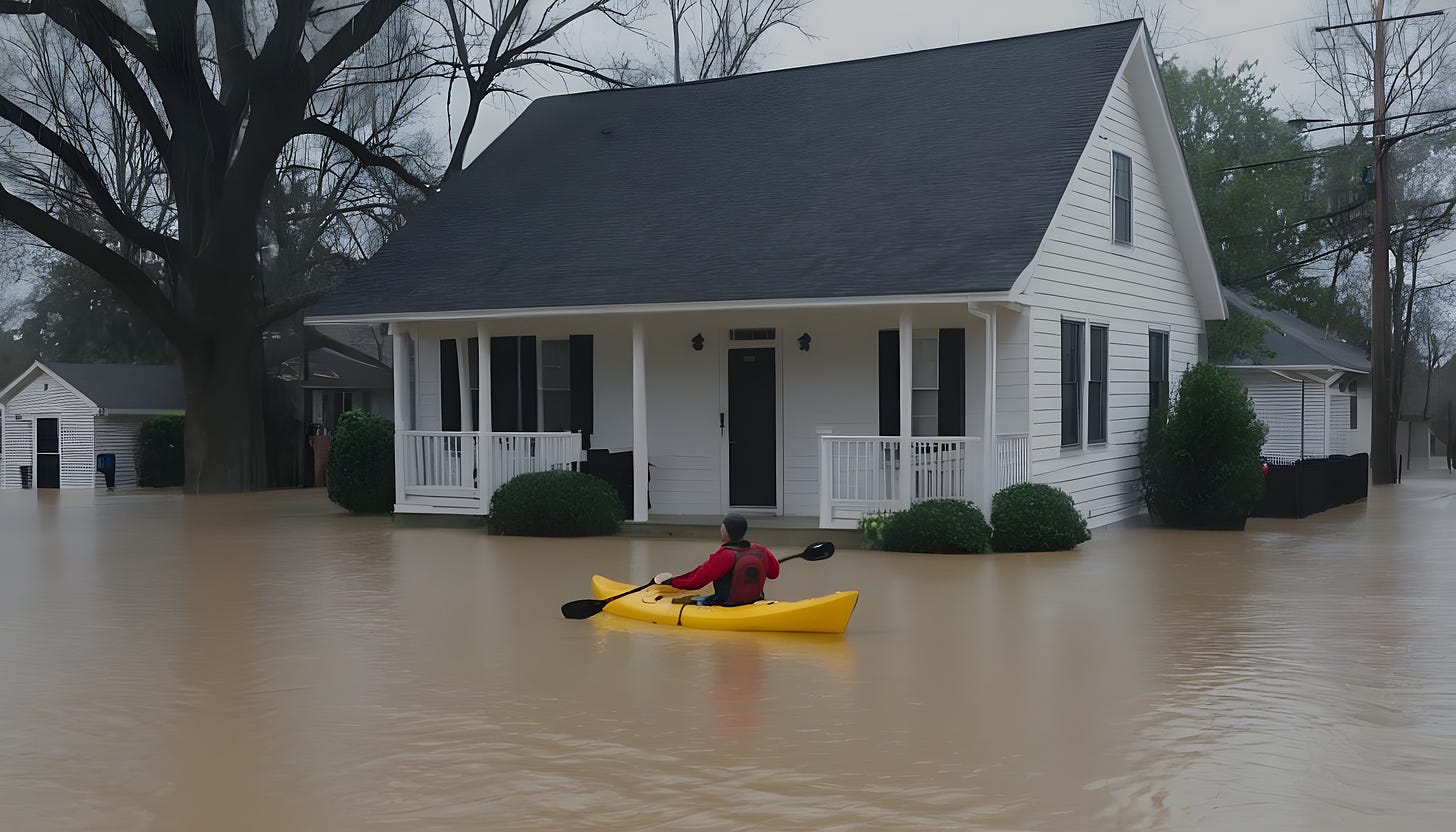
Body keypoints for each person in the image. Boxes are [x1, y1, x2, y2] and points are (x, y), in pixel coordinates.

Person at [654, 514, 780, 606]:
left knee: (699, 600)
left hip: (727, 607)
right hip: (756, 603)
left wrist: (672, 582)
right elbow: (774, 574)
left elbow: (696, 581)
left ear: (724, 530)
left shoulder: (724, 555)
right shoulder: (760, 550)